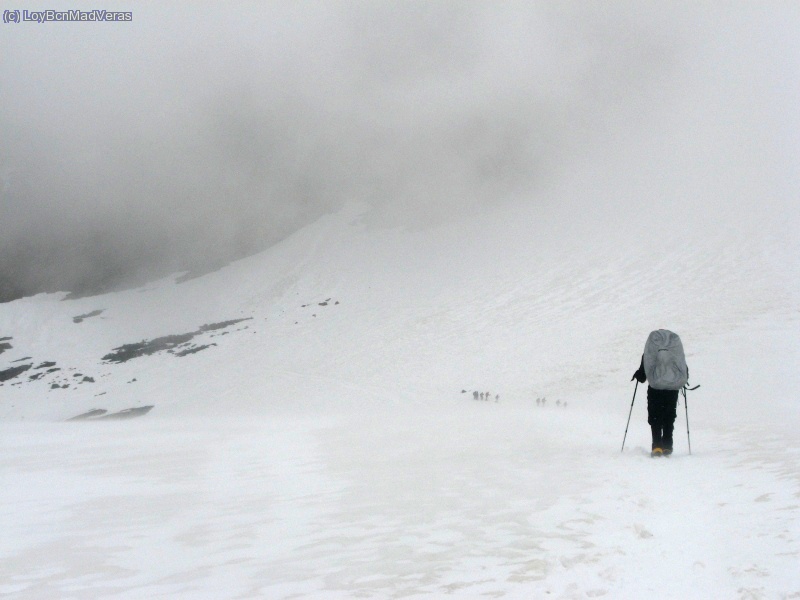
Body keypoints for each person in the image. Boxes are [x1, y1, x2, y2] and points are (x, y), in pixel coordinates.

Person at [632, 356, 685, 456]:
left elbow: (643, 376)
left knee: (655, 416)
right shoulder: (674, 350)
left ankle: (657, 446)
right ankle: (667, 445)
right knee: (669, 416)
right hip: (671, 389)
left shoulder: (650, 350)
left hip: (655, 388)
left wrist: (639, 374)